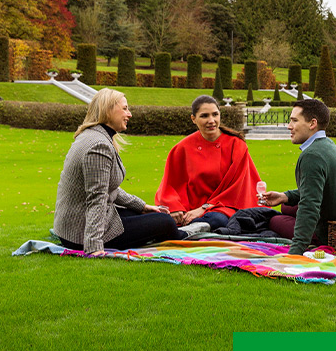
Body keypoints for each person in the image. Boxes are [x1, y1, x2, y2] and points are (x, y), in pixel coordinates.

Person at [54, 88, 180, 255]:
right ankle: (185, 236)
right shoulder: (99, 146)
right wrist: (94, 247)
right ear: (108, 110)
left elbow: (108, 188)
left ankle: (180, 232)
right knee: (166, 222)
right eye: (125, 108)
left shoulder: (91, 135)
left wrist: (142, 207)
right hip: (80, 234)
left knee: (145, 215)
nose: (130, 114)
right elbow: (96, 198)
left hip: (75, 226)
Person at [261, 99, 336, 255]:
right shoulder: (326, 144)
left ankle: (314, 239)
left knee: (275, 220)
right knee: (285, 206)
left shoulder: (312, 155)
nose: (289, 126)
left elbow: (310, 205)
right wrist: (285, 196)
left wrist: (296, 250)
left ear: (312, 124)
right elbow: (318, 189)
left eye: (294, 120)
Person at [155, 95, 261, 230]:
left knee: (217, 219)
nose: (211, 120)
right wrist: (175, 207)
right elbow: (170, 185)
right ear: (193, 119)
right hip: (190, 210)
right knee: (158, 218)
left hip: (225, 207)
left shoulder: (237, 145)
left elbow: (236, 190)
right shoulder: (182, 148)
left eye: (215, 114)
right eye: (204, 116)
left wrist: (205, 208)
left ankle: (188, 230)